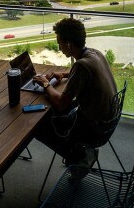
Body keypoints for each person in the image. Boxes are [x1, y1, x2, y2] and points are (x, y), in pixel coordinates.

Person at [32, 17, 118, 176]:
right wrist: (63, 74)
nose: (59, 47)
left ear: (69, 44)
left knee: (39, 127)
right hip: (110, 120)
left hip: (96, 130)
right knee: (53, 114)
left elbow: (60, 104)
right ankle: (81, 152)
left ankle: (77, 158)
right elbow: (85, 73)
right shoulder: (95, 54)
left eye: (60, 43)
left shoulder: (81, 65)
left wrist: (45, 84)